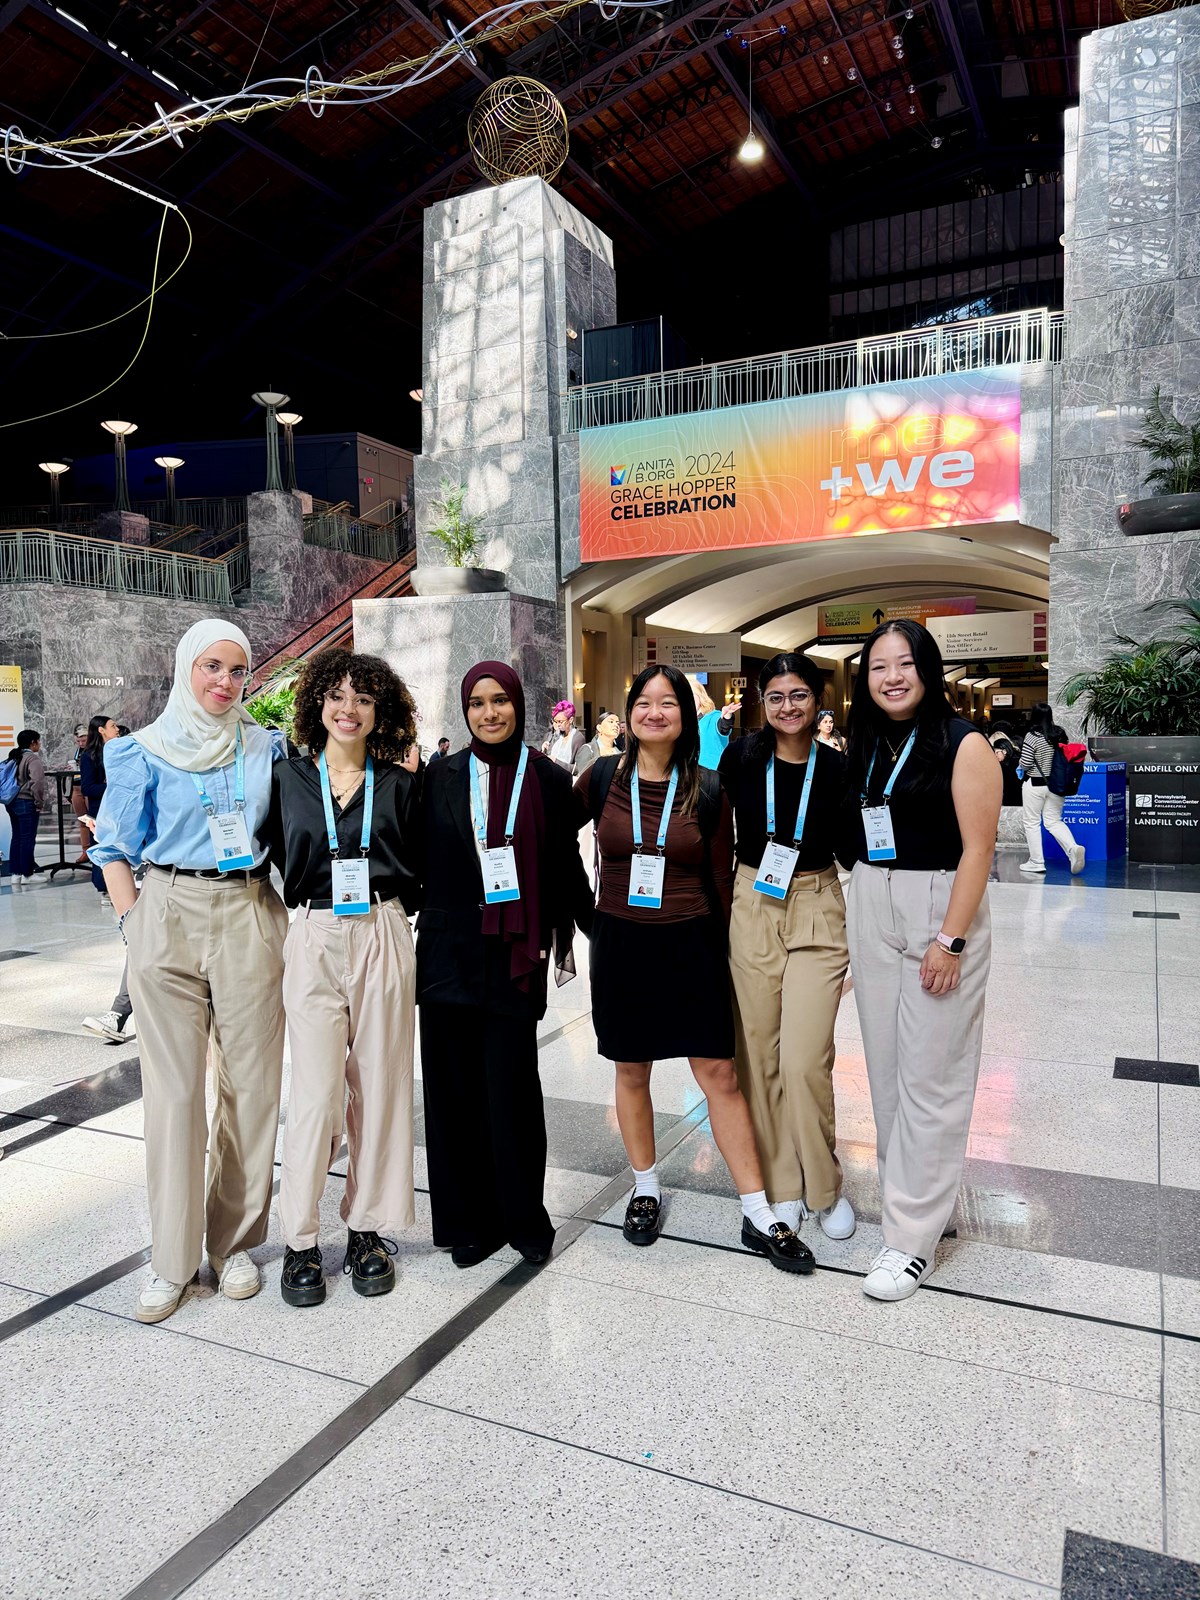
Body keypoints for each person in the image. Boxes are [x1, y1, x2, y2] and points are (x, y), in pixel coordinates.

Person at [575, 663, 811, 1273]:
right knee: (632, 1071)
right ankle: (645, 1186)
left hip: (691, 945)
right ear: (629, 715)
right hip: (622, 944)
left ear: (685, 717)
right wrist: (587, 915)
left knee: (719, 1075)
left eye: (668, 704)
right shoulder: (602, 776)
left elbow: (721, 878)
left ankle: (759, 1211)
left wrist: (720, 950)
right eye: (644, 702)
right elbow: (551, 838)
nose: (655, 713)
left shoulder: (707, 788)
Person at [90, 620, 288, 1325]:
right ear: (186, 669)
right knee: (174, 1094)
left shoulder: (265, 745)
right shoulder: (140, 751)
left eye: (237, 671)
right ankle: (170, 1262)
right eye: (211, 667)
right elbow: (113, 845)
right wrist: (133, 925)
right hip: (166, 908)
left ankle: (234, 1244)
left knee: (252, 1088)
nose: (224, 684)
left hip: (248, 908)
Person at [842, 619, 1001, 1302]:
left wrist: (951, 939)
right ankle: (914, 1206)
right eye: (879, 667)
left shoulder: (963, 744)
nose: (892, 677)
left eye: (905, 664)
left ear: (929, 671)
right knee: (886, 1072)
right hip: (873, 896)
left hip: (939, 903)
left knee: (932, 1077)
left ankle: (910, 1244)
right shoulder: (869, 743)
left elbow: (979, 850)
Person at [418, 661, 592, 1267]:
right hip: (447, 953)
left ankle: (522, 1216)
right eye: (476, 704)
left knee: (512, 1090)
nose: (489, 713)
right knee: (453, 1093)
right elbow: (415, 861)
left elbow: (567, 866)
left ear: (519, 704)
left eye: (500, 701)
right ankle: (469, 1222)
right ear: (464, 712)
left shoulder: (547, 778)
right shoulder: (440, 776)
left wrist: (603, 930)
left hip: (515, 953)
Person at [266, 649, 421, 1309]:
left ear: (378, 710)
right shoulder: (286, 780)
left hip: (384, 929)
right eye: (337, 696)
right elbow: (251, 857)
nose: (348, 709)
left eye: (362, 698)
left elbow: (427, 866)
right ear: (317, 705)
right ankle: (300, 1235)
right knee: (318, 1094)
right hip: (315, 931)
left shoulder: (402, 785)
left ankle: (364, 1227)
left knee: (381, 1087)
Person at [719, 652, 854, 1245]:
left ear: (817, 702)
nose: (787, 707)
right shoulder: (742, 758)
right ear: (761, 701)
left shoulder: (836, 767)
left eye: (798, 695)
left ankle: (825, 1186)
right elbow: (711, 825)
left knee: (804, 1057)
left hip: (818, 903)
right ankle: (783, 1185)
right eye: (776, 696)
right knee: (757, 1053)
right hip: (753, 900)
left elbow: (857, 845)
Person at [1019, 703, 1085, 875]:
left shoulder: (1032, 736)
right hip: (1057, 785)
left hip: (1035, 784)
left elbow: (1025, 763)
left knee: (1032, 822)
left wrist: (1020, 768)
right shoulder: (1059, 734)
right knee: (1053, 821)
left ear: (1033, 716)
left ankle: (1036, 862)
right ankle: (1072, 849)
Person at [79, 714, 120, 897]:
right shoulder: (89, 756)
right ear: (101, 730)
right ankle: (103, 888)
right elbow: (87, 788)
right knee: (102, 849)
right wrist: (111, 786)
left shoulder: (119, 751)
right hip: (100, 810)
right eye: (113, 726)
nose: (117, 729)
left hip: (119, 809)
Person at [4, 730, 46, 885]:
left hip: (11, 802)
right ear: (33, 742)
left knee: (17, 837)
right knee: (27, 838)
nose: (39, 744)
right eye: (39, 741)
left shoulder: (14, 757)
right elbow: (38, 784)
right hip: (26, 801)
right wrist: (39, 803)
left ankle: (16, 874)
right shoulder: (32, 759)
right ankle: (28, 874)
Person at [691, 678, 741, 770]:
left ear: (700, 697)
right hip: (690, 776)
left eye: (691, 696)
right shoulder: (681, 723)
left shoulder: (713, 717)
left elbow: (723, 727)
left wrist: (727, 716)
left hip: (713, 774)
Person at [573, 709, 621, 777]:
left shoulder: (620, 751)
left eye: (618, 723)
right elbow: (583, 777)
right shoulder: (588, 749)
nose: (616, 725)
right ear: (599, 727)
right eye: (611, 721)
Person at [543, 701, 586, 774]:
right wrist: (544, 750)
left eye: (560, 721)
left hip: (565, 779)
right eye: (555, 721)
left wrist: (556, 762)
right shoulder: (556, 735)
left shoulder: (578, 739)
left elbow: (579, 768)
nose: (558, 724)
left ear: (570, 720)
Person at [989, 721, 1023, 809]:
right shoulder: (1016, 759)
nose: (994, 755)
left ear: (1004, 751)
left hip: (1012, 801)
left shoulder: (1009, 764)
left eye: (996, 752)